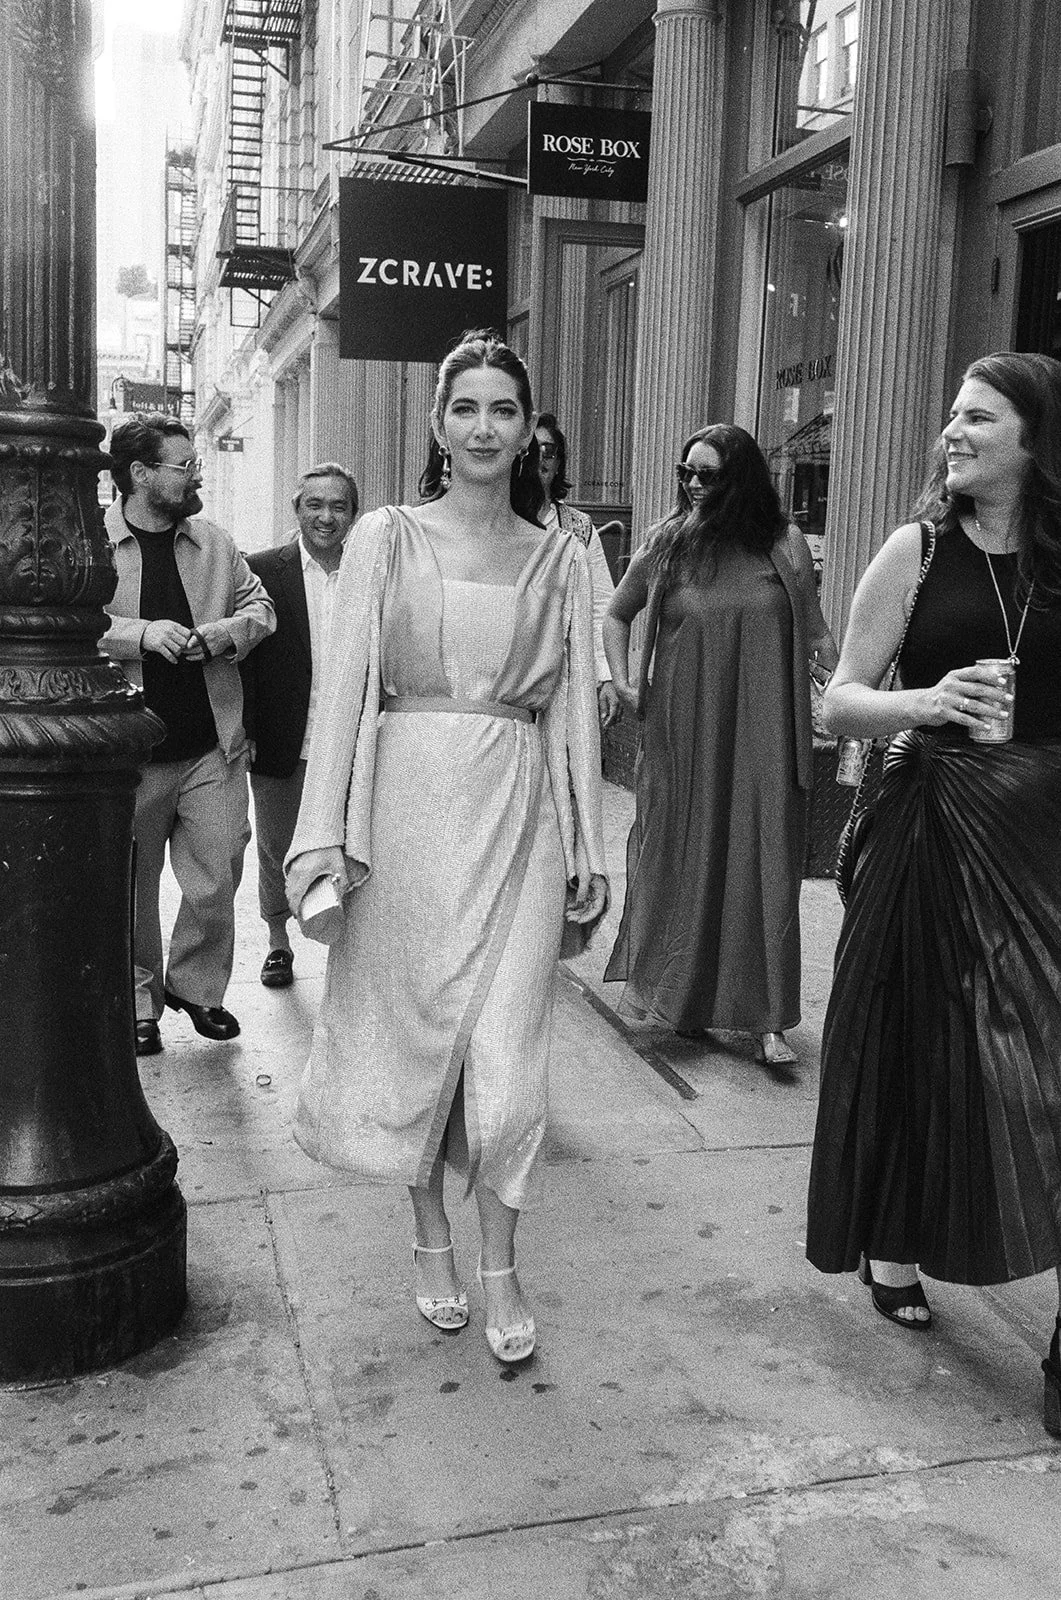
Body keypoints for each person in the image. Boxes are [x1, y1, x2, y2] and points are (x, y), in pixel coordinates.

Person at [284, 330, 608, 1364]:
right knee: (417, 1039)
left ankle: (502, 1263)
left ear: (526, 430)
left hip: (519, 816)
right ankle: (431, 1240)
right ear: (437, 423)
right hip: (407, 819)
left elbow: (572, 714)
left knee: (508, 1062)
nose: (482, 427)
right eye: (464, 407)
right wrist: (321, 841)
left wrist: (588, 844)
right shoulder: (384, 538)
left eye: (501, 409)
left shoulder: (564, 555)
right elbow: (342, 691)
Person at [806, 351, 1061, 1435]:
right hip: (924, 833)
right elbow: (836, 703)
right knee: (915, 1046)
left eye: (978, 417)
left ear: (1035, 441)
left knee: (1040, 1071)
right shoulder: (913, 552)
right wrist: (927, 700)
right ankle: (895, 1239)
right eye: (951, 413)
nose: (951, 430)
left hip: (1040, 844)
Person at [602, 423, 837, 1064]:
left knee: (766, 860)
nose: (694, 486)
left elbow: (816, 632)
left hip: (766, 728)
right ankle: (685, 1002)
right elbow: (618, 612)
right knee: (688, 855)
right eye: (687, 474)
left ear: (742, 479)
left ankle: (769, 1020)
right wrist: (623, 683)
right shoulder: (669, 542)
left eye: (708, 475)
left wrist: (850, 686)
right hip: (685, 731)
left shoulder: (783, 543)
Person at [103, 413, 276, 1055]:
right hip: (130, 751)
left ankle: (197, 987)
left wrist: (226, 633)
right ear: (140, 474)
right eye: (184, 465)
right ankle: (138, 1001)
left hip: (212, 745)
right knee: (132, 883)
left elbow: (261, 607)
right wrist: (142, 634)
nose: (195, 474)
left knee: (219, 866)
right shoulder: (93, 543)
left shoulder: (215, 544)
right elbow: (68, 621)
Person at [241, 462, 359, 989]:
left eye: (338, 506)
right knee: (277, 848)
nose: (326, 517)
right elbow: (244, 659)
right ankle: (278, 941)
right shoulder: (263, 569)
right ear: (296, 510)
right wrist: (245, 729)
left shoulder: (369, 570)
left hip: (351, 741)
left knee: (350, 846)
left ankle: (346, 947)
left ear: (353, 514)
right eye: (315, 505)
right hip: (281, 736)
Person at [535, 412, 621, 728]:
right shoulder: (498, 521)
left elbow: (602, 606)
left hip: (566, 677)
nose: (540, 459)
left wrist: (606, 677)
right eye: (531, 450)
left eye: (548, 451)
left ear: (559, 462)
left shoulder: (579, 527)